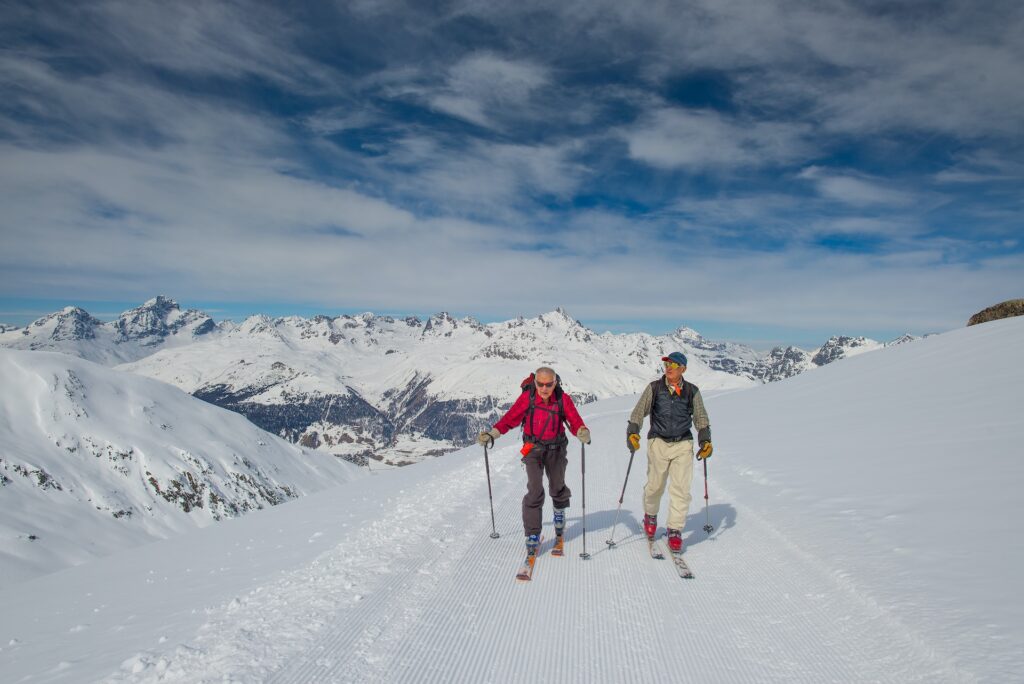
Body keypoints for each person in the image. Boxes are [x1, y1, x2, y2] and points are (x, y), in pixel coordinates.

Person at [478, 366, 590, 560]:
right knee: (535, 490)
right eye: (540, 384)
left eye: (549, 384)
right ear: (535, 382)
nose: (544, 388)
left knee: (557, 486)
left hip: (556, 448)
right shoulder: (528, 398)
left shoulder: (563, 399)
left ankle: (559, 513)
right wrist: (492, 434)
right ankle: (532, 533)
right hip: (532, 449)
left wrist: (582, 431)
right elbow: (510, 419)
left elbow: (574, 421)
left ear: (555, 383)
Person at [626, 352, 713, 554]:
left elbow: (701, 418)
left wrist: (705, 439)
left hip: (683, 443)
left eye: (674, 364)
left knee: (681, 489)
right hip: (658, 441)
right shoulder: (655, 388)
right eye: (666, 364)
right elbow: (639, 412)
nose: (669, 367)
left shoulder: (692, 391)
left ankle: (675, 529)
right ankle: (650, 515)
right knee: (655, 486)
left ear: (683, 368)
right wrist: (632, 431)